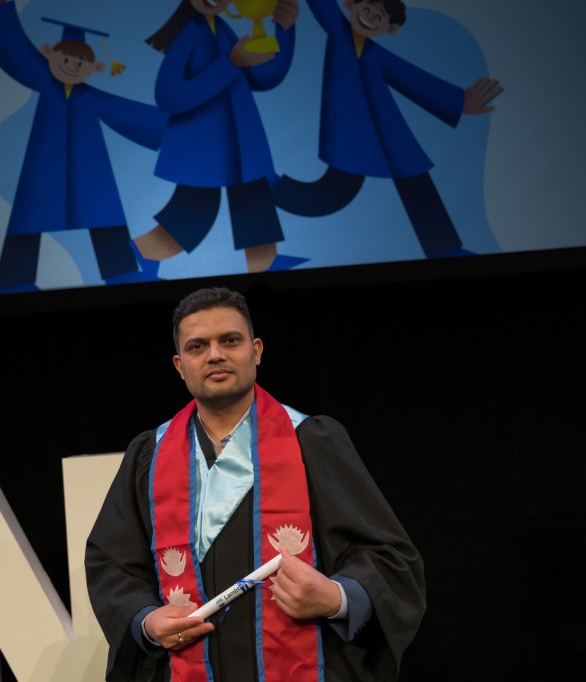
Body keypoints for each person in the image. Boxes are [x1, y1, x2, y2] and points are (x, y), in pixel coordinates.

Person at [85, 286, 425, 680]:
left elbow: (389, 558)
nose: (215, 354)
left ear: (257, 350)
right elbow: (112, 564)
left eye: (230, 340)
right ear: (179, 365)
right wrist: (145, 620)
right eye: (197, 346)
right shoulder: (149, 456)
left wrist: (336, 597)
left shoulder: (310, 441)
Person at [272, 0, 503, 259]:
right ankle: (269, 188)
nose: (370, 17)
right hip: (351, 133)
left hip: (387, 130)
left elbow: (410, 78)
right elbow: (323, 6)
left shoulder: (376, 53)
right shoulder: (339, 29)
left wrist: (460, 101)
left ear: (389, 28)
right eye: (367, 9)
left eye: (379, 16)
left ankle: (444, 248)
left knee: (416, 183)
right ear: (350, 5)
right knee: (332, 192)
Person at [0, 0, 168, 292]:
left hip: (90, 173)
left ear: (94, 68)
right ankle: (15, 282)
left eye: (80, 63)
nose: (71, 67)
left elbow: (126, 114)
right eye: (66, 59)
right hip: (44, 169)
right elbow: (14, 51)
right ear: (49, 54)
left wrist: (179, 129)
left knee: (105, 219)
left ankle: (123, 276)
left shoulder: (91, 97)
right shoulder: (42, 77)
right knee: (28, 223)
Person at [129, 0, 306, 275]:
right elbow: (169, 95)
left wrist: (284, 30)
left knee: (253, 203)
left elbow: (262, 77)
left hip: (238, 142)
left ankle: (265, 265)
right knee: (193, 214)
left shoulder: (221, 29)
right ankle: (133, 256)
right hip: (203, 148)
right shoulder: (190, 34)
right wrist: (230, 63)